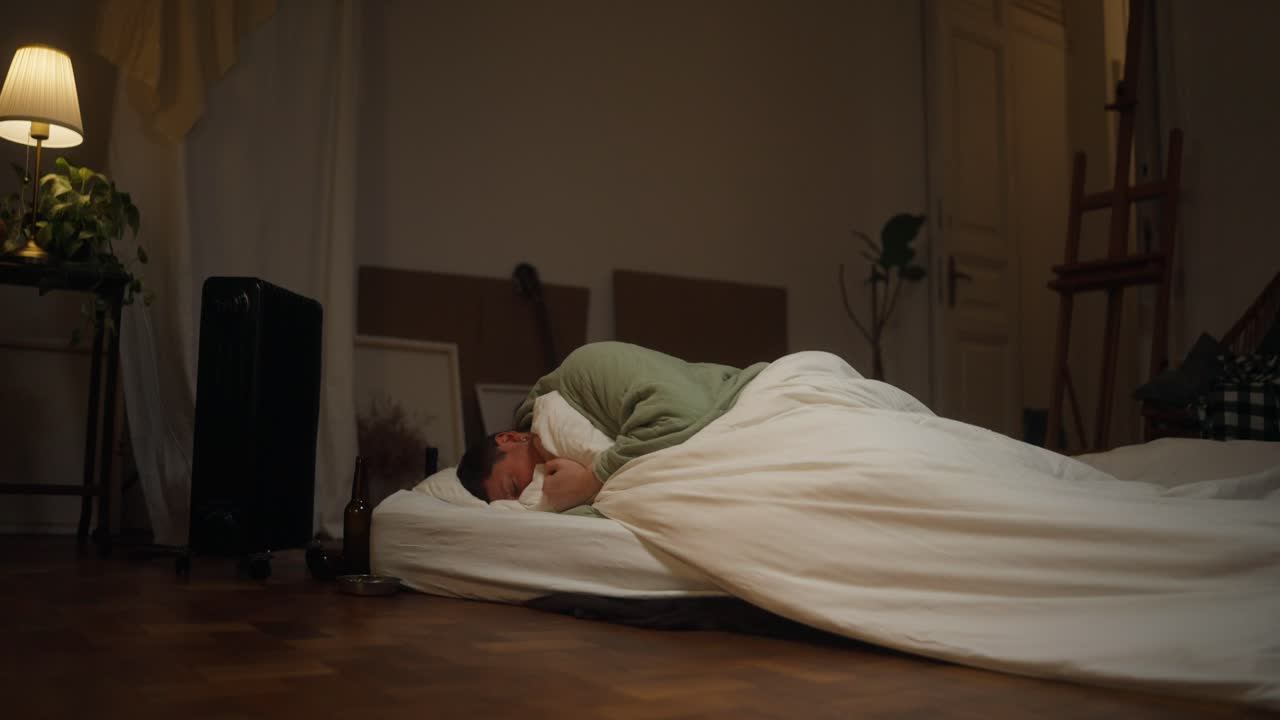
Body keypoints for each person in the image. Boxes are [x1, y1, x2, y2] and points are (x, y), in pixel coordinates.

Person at [457, 341, 767, 510]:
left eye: (513, 485)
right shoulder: (554, 492)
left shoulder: (582, 370)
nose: (522, 497)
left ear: (510, 438)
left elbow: (682, 414)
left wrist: (591, 480)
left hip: (758, 396)